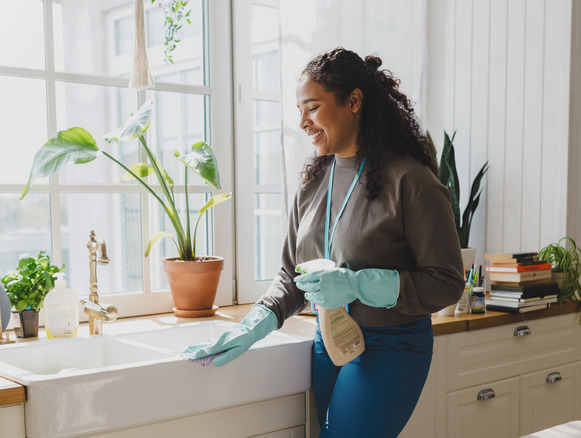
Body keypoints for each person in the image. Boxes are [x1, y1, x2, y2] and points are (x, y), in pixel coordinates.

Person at [182, 47, 464, 437]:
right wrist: (256, 323)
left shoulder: (410, 182)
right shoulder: (314, 183)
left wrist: (356, 284)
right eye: (300, 110)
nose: (302, 122)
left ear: (353, 101)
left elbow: (447, 281)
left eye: (312, 108)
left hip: (391, 346)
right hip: (327, 341)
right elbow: (290, 272)